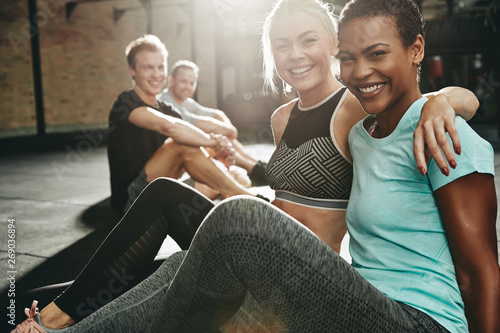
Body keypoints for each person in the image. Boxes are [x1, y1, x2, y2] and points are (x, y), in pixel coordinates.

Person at [11, 0, 493, 332]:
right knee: (179, 242)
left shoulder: (380, 113)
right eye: (281, 45)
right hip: (303, 265)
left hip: (353, 287)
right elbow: (288, 177)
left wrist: (446, 99)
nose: (295, 54)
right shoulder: (320, 125)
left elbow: (480, 272)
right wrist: (238, 165)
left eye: (308, 41)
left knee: (227, 225)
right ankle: (62, 321)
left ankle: (57, 321)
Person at [107, 35, 255, 214]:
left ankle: (239, 213)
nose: (156, 74)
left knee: (237, 176)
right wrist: (213, 142)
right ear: (132, 70)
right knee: (180, 144)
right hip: (134, 199)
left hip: (165, 190)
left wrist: (219, 154)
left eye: (160, 67)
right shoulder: (126, 103)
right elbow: (169, 127)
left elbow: (193, 147)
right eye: (148, 68)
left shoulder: (167, 109)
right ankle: (253, 202)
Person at [158, 60, 268, 186]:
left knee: (220, 133)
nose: (188, 87)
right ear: (171, 80)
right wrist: (231, 131)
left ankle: (254, 164)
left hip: (185, 151)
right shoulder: (165, 101)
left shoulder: (186, 101)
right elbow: (197, 123)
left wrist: (228, 131)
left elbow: (217, 114)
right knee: (211, 135)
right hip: (169, 157)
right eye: (183, 82)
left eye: (192, 83)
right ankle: (253, 169)